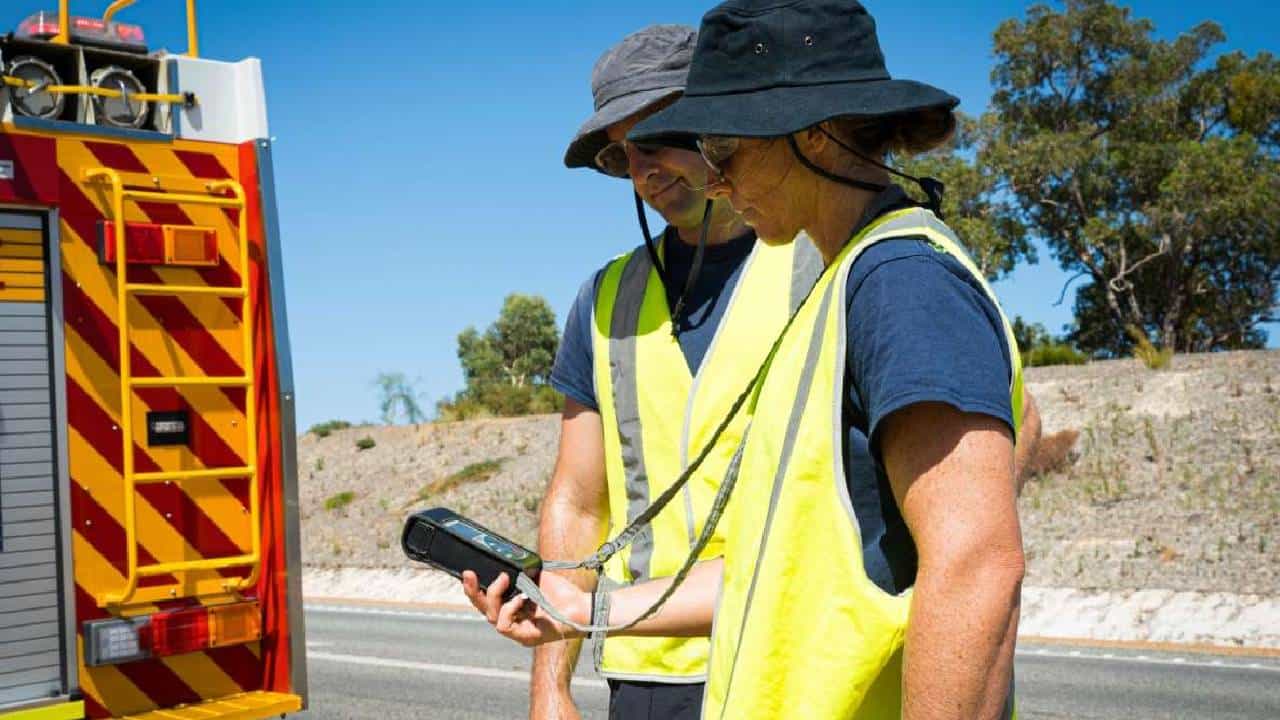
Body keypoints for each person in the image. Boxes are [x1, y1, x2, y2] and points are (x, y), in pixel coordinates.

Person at [466, 2, 1035, 718]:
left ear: (814, 134)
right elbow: (779, 562)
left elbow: (976, 563)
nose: (715, 180)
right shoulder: (841, 283)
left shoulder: (898, 282)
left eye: (723, 148)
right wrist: (579, 616)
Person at [533, 24, 822, 720]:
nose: (643, 172)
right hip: (648, 672)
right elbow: (578, 504)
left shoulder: (826, 260)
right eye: (622, 154)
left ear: (722, 122)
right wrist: (550, 687)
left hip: (794, 662)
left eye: (657, 139)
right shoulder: (605, 299)